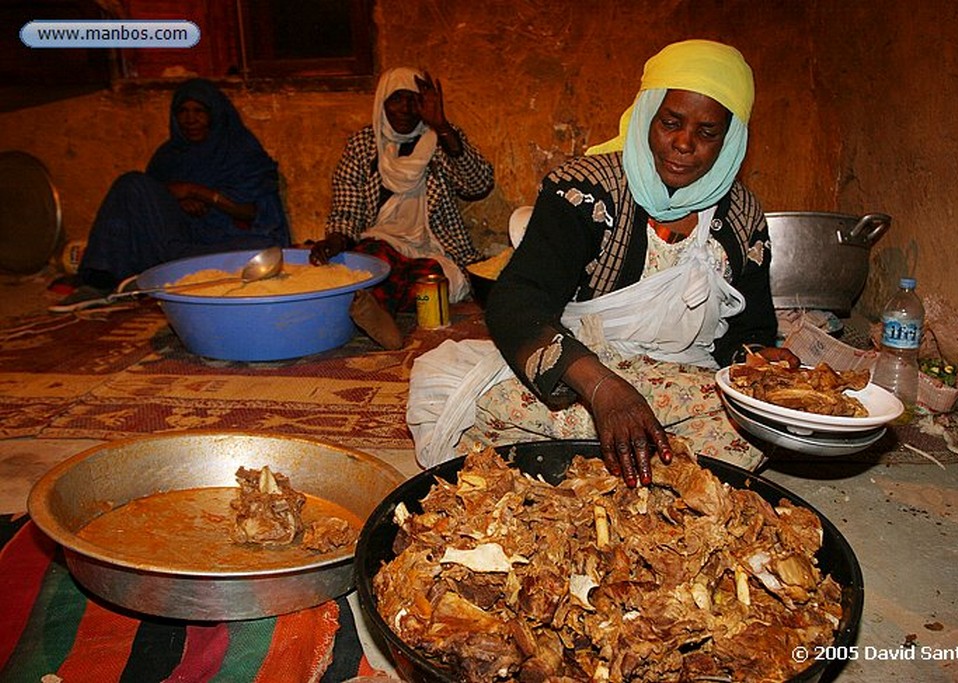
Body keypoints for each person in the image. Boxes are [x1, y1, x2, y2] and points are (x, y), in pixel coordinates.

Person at [407, 40, 796, 486]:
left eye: (708, 133)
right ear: (648, 112)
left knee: (749, 426)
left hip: (682, 380)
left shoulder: (742, 217)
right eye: (670, 122)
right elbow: (517, 302)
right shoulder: (585, 191)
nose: (684, 143)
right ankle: (642, 467)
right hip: (578, 369)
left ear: (731, 140)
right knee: (466, 397)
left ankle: (595, 468)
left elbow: (751, 330)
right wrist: (601, 388)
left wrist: (760, 361)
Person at [54, 78, 290, 309]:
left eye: (199, 111)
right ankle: (100, 281)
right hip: (179, 238)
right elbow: (149, 203)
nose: (190, 120)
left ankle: (152, 277)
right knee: (130, 184)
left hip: (224, 239)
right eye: (183, 112)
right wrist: (175, 199)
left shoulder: (240, 151)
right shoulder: (169, 155)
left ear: (215, 114)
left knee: (261, 253)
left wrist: (196, 192)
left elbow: (249, 212)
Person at [308, 67, 494, 349]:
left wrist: (442, 127)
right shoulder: (364, 146)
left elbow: (479, 185)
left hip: (432, 248)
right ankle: (380, 316)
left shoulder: (440, 140)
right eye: (397, 99)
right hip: (383, 242)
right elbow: (347, 207)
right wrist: (334, 241)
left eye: (414, 99)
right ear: (382, 102)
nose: (406, 108)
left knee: (431, 279)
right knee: (372, 261)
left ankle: (377, 310)